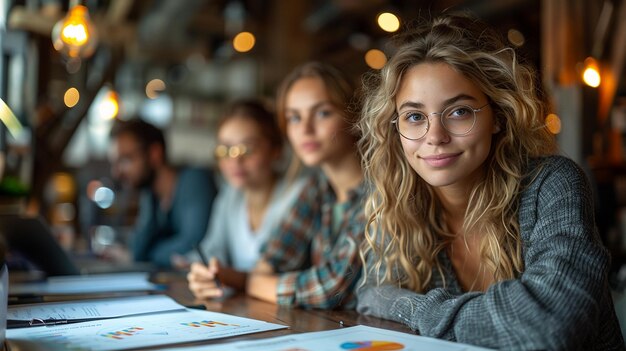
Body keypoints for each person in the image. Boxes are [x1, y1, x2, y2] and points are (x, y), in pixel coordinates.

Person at [356, 14, 625, 350]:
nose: (435, 137)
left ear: (497, 116)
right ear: (396, 128)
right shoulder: (401, 199)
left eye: (459, 112)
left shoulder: (551, 185)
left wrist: (415, 307)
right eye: (414, 117)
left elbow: (547, 327)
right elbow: (368, 293)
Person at [188, 62, 366, 309]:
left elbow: (329, 288)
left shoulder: (378, 189)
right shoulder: (318, 187)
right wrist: (220, 277)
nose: (305, 129)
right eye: (294, 117)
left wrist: (249, 282)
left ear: (354, 115)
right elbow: (272, 259)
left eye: (323, 113)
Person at [175, 99, 306, 271]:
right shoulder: (230, 195)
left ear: (276, 150)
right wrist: (197, 266)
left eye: (247, 149)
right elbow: (213, 249)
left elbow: (277, 271)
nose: (235, 160)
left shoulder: (299, 194)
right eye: (225, 149)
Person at [108, 119, 217, 268]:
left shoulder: (194, 181)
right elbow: (137, 250)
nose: (117, 173)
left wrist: (150, 254)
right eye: (115, 163)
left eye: (126, 160)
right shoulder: (151, 195)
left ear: (155, 153)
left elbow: (193, 245)